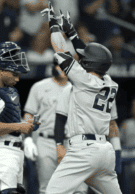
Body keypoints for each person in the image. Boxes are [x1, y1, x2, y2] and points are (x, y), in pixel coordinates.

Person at [41, 3, 123, 194]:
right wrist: (72, 33)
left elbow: (60, 50)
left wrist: (54, 24)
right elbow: (88, 55)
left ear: (89, 63)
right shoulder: (110, 82)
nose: (82, 59)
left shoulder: (83, 79)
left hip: (84, 151)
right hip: (105, 151)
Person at [0, 41, 40, 194]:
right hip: (0, 150)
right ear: (1, 70)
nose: (17, 79)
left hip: (15, 150)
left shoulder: (11, 93)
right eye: (14, 74)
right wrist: (19, 127)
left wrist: (28, 125)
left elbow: (9, 123)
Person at [23, 60, 89, 194]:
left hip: (71, 142)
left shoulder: (78, 89)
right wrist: (28, 138)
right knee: (48, 188)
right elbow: (29, 114)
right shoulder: (39, 87)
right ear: (54, 67)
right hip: (46, 142)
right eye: (60, 66)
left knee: (79, 188)